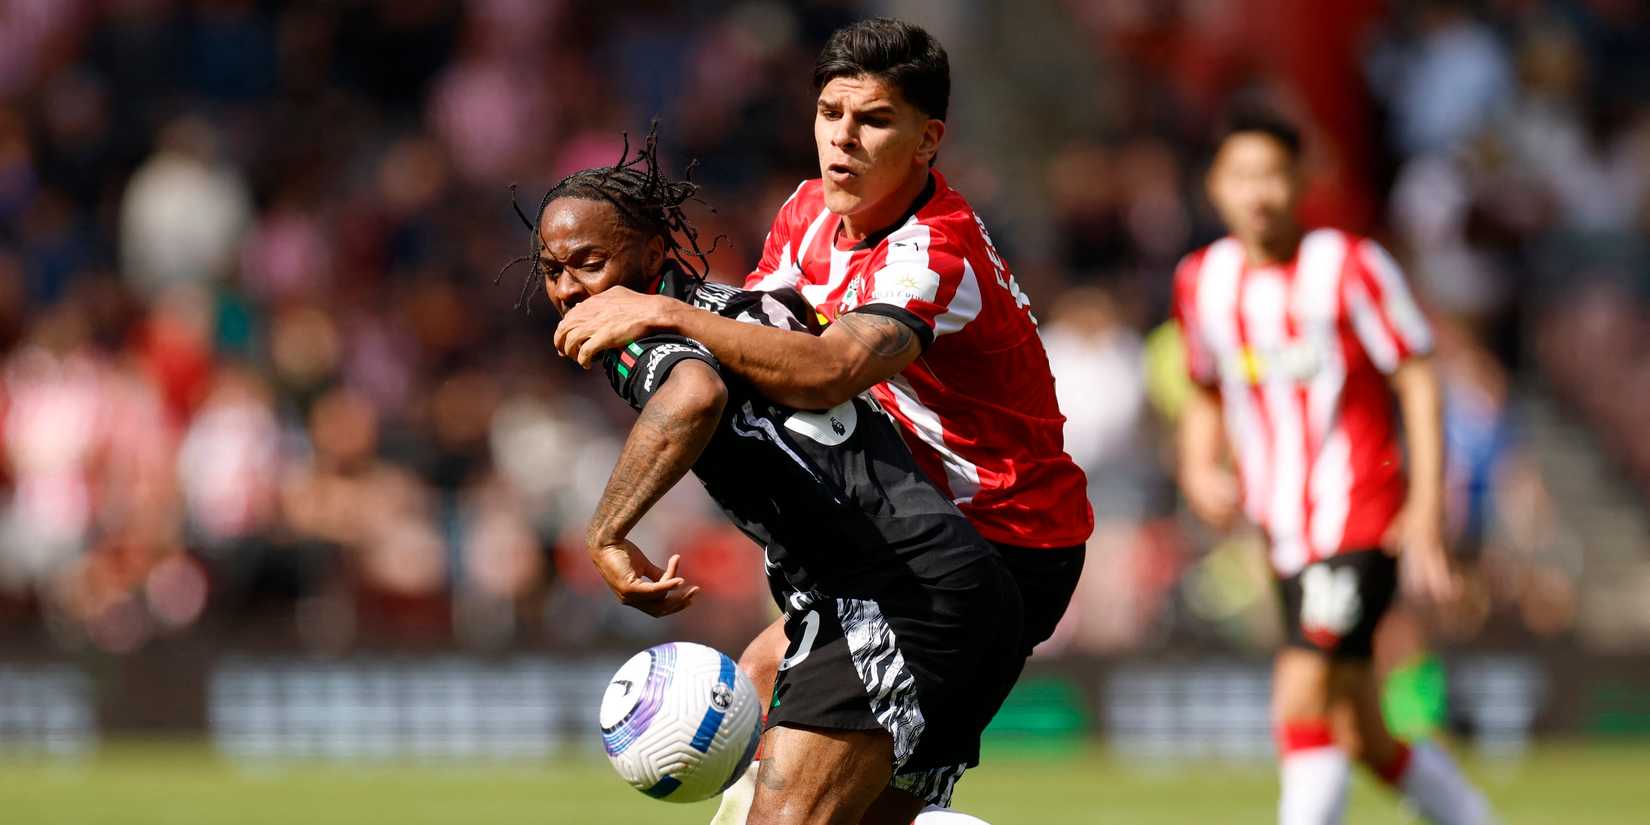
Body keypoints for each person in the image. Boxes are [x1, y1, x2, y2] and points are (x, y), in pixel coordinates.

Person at [549, 22, 1093, 820]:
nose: (842, 138)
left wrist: (663, 309)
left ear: (927, 140)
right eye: (830, 113)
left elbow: (827, 369)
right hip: (905, 536)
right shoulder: (807, 211)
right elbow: (763, 342)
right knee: (777, 736)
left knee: (787, 807)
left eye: (873, 120)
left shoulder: (931, 253)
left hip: (999, 539)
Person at [508, 128, 1017, 825]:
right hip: (941, 583)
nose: (569, 290)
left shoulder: (643, 336)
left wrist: (606, 535)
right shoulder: (745, 308)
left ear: (653, 253)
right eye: (552, 269)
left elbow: (693, 397)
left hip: (889, 590)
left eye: (589, 263)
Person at [1172, 109, 1498, 825]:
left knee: (1300, 687)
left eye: (1274, 175)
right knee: (1360, 729)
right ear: (1215, 187)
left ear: (1301, 182)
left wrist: (1425, 507)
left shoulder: (1350, 266)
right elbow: (1202, 385)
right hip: (1281, 526)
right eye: (1242, 177)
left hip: (1361, 508)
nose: (1259, 193)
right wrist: (1199, 465)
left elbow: (1416, 374)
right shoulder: (1202, 280)